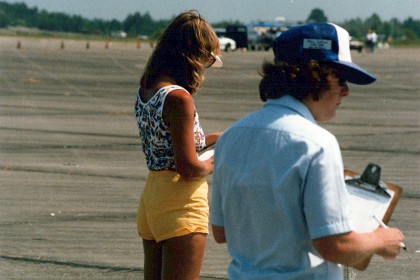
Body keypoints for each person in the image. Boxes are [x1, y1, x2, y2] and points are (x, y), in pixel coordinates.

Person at [210, 23, 404, 279]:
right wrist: (381, 240)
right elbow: (334, 246)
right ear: (315, 76)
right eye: (341, 79)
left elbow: (221, 232)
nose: (346, 91)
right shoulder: (318, 144)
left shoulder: (231, 137)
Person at [134, 10, 223, 279]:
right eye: (206, 61)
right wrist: (217, 159)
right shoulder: (179, 98)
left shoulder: (148, 89)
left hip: (153, 200)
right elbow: (188, 167)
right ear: (193, 57)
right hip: (180, 203)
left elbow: (168, 142)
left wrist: (216, 138)